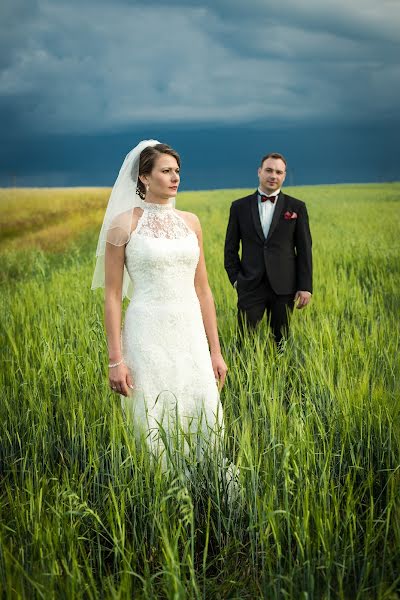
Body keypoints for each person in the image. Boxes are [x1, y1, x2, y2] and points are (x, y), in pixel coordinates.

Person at [92, 140, 228, 463]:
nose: (175, 177)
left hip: (190, 334)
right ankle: (157, 493)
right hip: (146, 333)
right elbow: (112, 295)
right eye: (165, 170)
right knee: (154, 416)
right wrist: (115, 359)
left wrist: (216, 351)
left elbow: (204, 290)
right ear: (144, 177)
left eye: (177, 171)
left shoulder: (191, 223)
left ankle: (207, 486)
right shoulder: (123, 225)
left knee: (201, 410)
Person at [224, 152, 312, 346]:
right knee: (244, 341)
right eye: (269, 170)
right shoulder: (239, 207)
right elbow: (230, 249)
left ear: (284, 175)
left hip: (284, 286)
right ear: (259, 172)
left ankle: (280, 374)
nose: (274, 176)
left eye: (279, 172)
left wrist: (305, 286)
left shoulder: (297, 207)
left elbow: (305, 249)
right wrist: (237, 281)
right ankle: (244, 375)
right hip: (250, 285)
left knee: (281, 341)